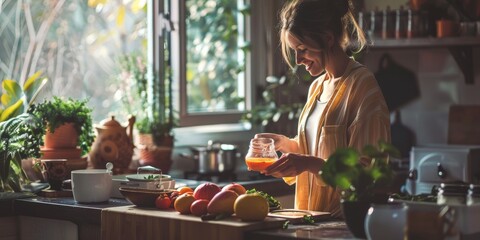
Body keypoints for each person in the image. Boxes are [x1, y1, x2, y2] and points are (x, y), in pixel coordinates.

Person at [254, 0, 391, 218]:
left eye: (303, 49)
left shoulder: (362, 86)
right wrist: (286, 145)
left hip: (345, 224)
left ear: (327, 39)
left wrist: (307, 163)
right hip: (311, 221)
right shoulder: (318, 87)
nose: (298, 60)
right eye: (294, 51)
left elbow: (365, 174)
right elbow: (320, 149)